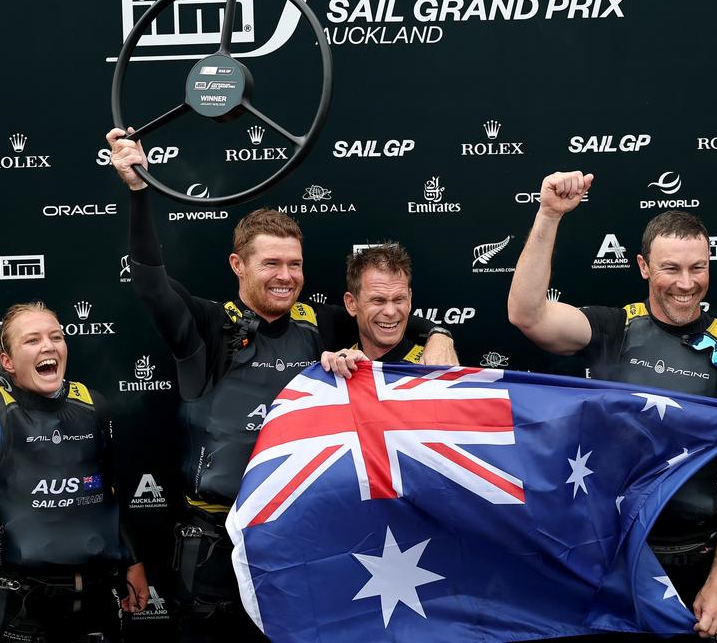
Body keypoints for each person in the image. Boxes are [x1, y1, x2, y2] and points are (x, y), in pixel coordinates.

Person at [104, 127, 455, 639]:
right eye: (271, 263)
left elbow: (386, 312)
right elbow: (149, 279)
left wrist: (436, 333)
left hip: (302, 539)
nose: (285, 276)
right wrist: (138, 192)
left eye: (294, 264)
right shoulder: (204, 326)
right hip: (214, 545)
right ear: (237, 265)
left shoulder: (323, 323)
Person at [507, 172, 717, 640]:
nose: (686, 284)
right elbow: (528, 314)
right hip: (607, 557)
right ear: (644, 267)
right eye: (671, 269)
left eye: (698, 268)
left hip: (693, 561)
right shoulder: (614, 329)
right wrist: (548, 215)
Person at [0, 235, 148, 642]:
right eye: (32, 340)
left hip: (97, 601)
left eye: (56, 336)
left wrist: (133, 560)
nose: (49, 346)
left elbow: (110, 493)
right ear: (6, 361)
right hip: (24, 609)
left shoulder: (93, 405)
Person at [320, 242, 459, 377]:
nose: (390, 312)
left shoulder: (436, 366)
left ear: (409, 299)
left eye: (399, 299)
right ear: (351, 303)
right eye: (378, 300)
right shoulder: (337, 368)